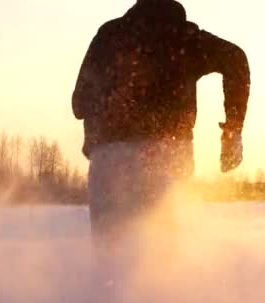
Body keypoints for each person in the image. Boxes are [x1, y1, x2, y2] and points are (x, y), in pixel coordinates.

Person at [72, 0, 250, 243]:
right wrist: (233, 130)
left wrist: (111, 107)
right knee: (159, 260)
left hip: (109, 159)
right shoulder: (186, 39)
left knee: (110, 260)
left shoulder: (109, 35)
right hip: (167, 156)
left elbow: (79, 104)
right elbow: (236, 60)